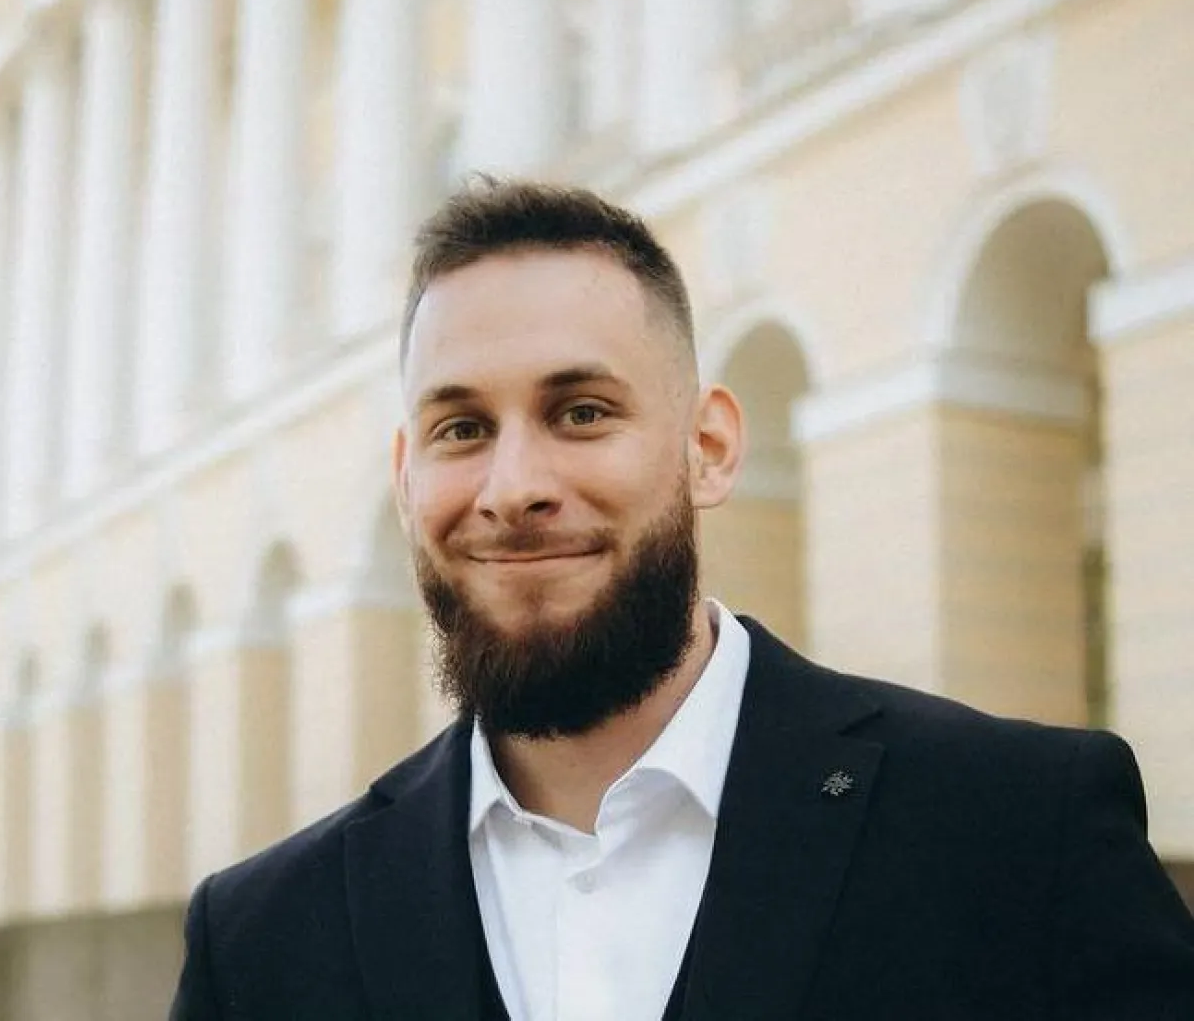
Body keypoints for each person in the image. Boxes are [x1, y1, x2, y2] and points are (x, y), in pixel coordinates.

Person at [171, 179, 1194, 1020]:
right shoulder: (259, 940)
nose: (513, 487)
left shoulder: (1020, 832)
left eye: (581, 412)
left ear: (708, 448)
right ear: (406, 481)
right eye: (462, 429)